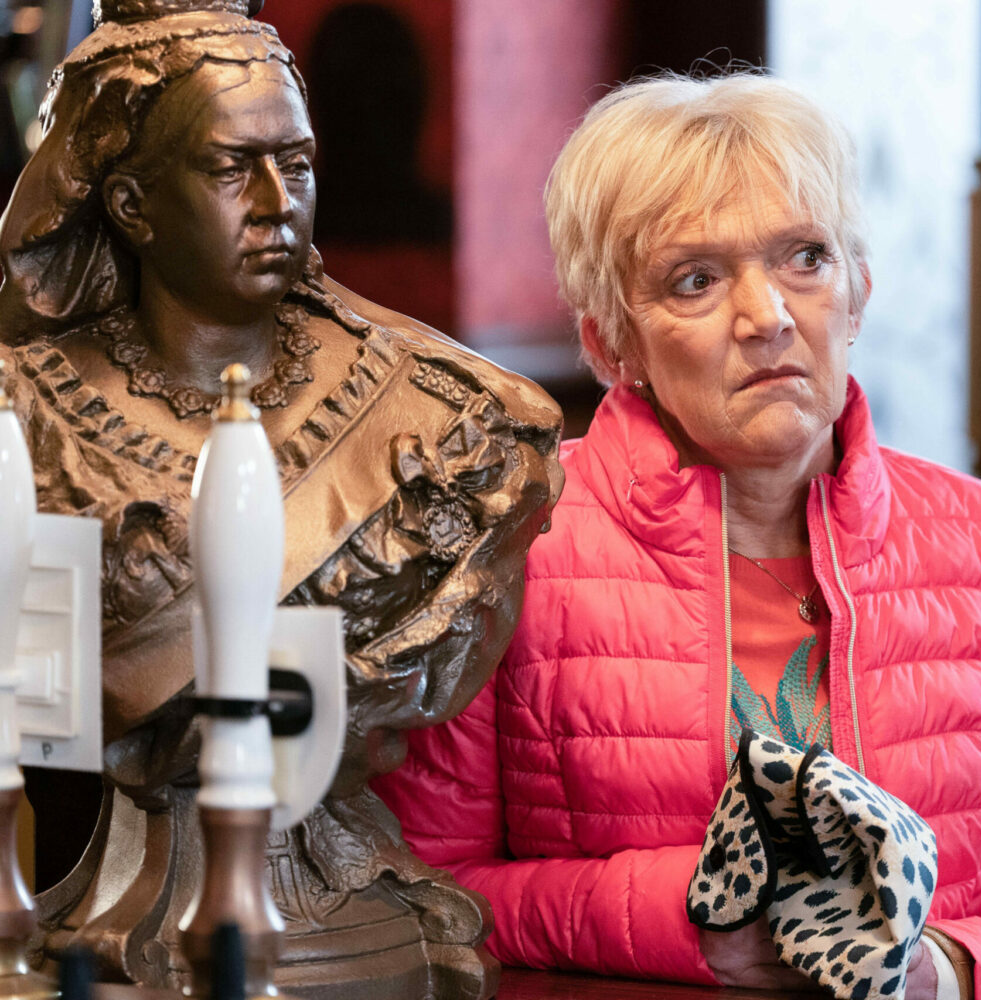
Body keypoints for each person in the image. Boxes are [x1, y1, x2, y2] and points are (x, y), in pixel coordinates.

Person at [376, 72, 981, 999]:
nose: (769, 317)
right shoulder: (506, 547)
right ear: (609, 342)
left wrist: (943, 973)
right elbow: (410, 901)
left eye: (805, 258)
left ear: (858, 293)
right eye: (696, 280)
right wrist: (686, 923)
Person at [0, 2, 560, 995]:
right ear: (130, 205)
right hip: (113, 895)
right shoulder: (20, 414)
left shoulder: (465, 421)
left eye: (295, 163)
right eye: (230, 167)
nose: (276, 201)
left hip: (359, 917)